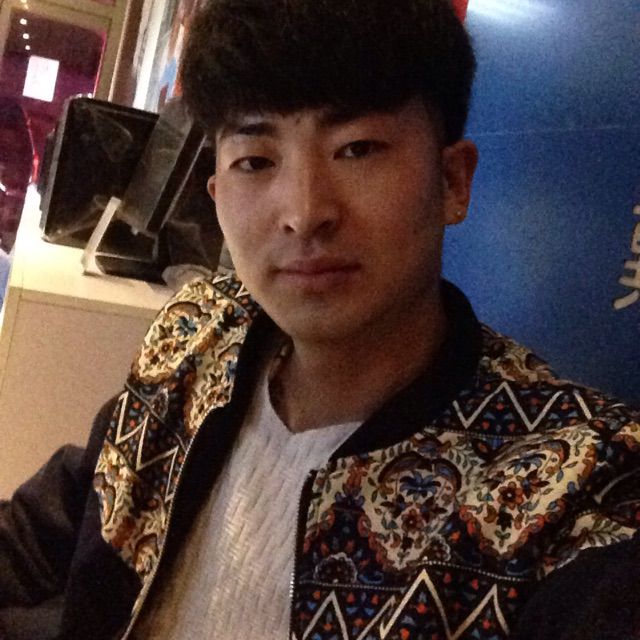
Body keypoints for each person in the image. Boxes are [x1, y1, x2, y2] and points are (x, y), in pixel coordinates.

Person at [1, 1, 639, 639]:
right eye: (256, 160)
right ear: (216, 195)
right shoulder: (197, 333)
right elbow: (58, 522)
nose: (304, 213)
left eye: (356, 149)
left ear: (452, 181)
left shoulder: (571, 484)